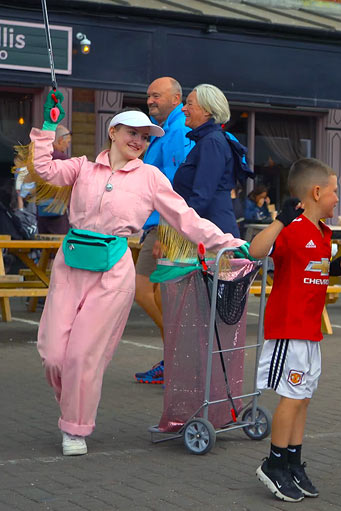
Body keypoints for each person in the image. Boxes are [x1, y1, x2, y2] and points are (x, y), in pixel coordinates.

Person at [31, 97, 245, 457]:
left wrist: (228, 242)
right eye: (133, 133)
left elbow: (186, 218)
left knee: (83, 355)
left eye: (145, 137)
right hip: (70, 267)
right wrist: (50, 128)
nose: (139, 141)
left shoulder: (150, 177)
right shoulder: (82, 168)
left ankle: (75, 427)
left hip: (113, 272)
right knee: (53, 354)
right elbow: (43, 170)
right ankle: (73, 402)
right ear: (113, 132)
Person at [249, 159, 341, 502]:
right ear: (317, 192)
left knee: (303, 398)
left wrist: (333, 268)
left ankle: (293, 461)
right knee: (290, 398)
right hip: (288, 331)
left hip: (310, 332)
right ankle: (274, 464)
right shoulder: (290, 228)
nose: (338, 198)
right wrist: (279, 220)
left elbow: (311, 268)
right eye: (335, 191)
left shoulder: (323, 232)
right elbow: (255, 250)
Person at [133, 76, 194, 385]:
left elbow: (177, 186)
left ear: (176, 98)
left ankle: (177, 355)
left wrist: (168, 230)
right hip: (158, 224)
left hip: (167, 226)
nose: (150, 101)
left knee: (146, 290)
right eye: (148, 96)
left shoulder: (179, 131)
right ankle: (176, 355)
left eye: (156, 95)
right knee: (153, 293)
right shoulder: (164, 131)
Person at [172, 83, 241, 237]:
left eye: (189, 104)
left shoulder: (212, 142)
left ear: (207, 111)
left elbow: (202, 195)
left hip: (212, 235)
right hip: (208, 230)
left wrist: (179, 231)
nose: (183, 108)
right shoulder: (208, 140)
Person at [34, 125, 72, 235]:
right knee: (59, 247)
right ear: (60, 140)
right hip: (58, 210)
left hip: (41, 208)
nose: (67, 145)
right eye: (67, 142)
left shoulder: (42, 157)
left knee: (44, 247)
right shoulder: (63, 159)